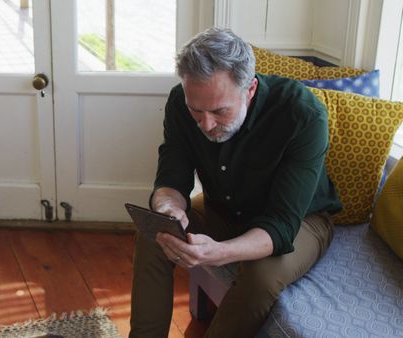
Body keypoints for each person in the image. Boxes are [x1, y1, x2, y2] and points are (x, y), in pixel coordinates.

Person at [129, 27, 342, 338]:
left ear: (250, 89)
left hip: (300, 221)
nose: (206, 124)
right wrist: (169, 211)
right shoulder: (179, 101)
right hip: (223, 209)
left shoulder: (303, 114)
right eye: (196, 111)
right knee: (154, 235)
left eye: (220, 111)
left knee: (261, 277)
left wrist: (219, 252)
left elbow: (282, 224)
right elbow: (171, 176)